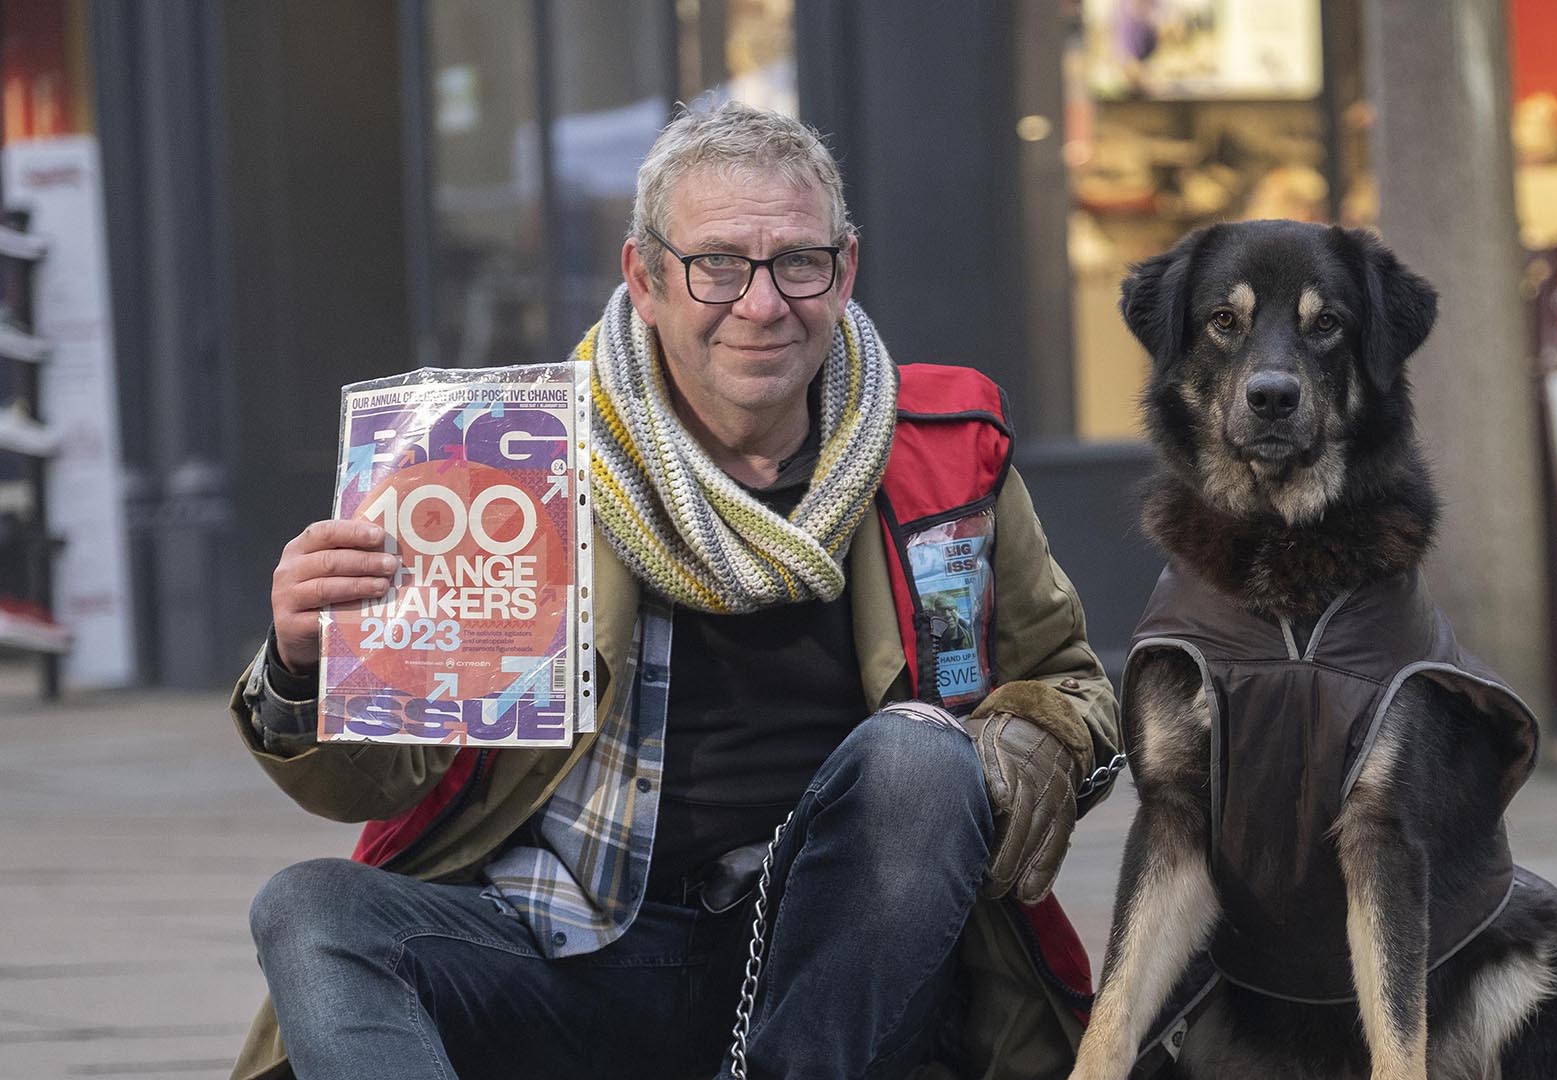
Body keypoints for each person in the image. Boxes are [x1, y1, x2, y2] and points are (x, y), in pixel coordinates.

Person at [228, 101, 1120, 1080]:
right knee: (313, 910)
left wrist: (1043, 730)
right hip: (566, 945)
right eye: (719, 265)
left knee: (921, 758)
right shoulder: (505, 463)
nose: (762, 303)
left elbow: (1072, 685)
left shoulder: (943, 452)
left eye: (798, 263)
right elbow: (373, 783)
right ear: (646, 278)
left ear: (846, 269)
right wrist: (303, 667)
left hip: (834, 975)